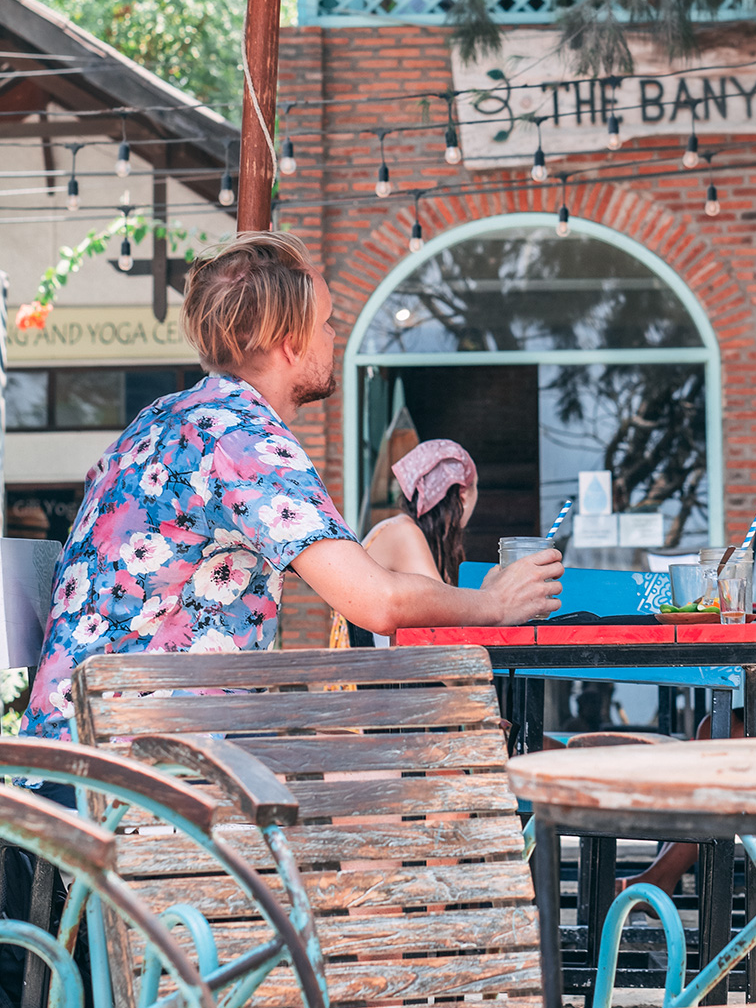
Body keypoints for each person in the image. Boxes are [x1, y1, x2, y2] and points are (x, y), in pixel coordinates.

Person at [20, 232, 562, 745]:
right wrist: (493, 602)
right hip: (137, 772)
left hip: (76, 754)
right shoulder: (240, 437)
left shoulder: (159, 419)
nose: (334, 336)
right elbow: (376, 601)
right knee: (451, 770)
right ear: (289, 343)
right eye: (326, 323)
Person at [346, 439, 480, 645]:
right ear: (463, 497)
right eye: (476, 487)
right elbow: (444, 625)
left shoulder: (401, 530)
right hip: (367, 674)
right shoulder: (404, 534)